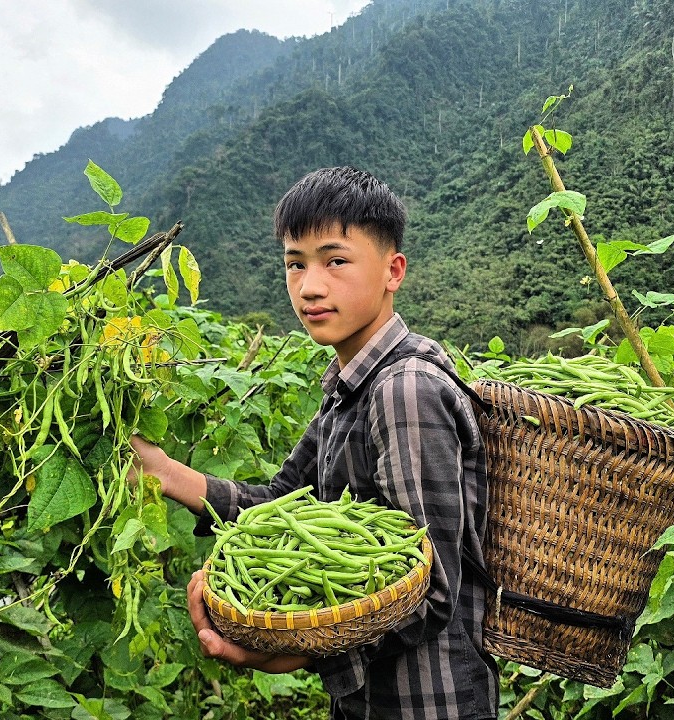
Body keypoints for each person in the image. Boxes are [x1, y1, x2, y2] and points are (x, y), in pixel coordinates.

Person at [129, 166, 498, 719]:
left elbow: (431, 588)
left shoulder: (405, 390)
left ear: (393, 270)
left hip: (430, 702)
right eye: (294, 264)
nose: (310, 286)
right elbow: (279, 503)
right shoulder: (349, 389)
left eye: (336, 260)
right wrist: (163, 473)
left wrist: (300, 653)